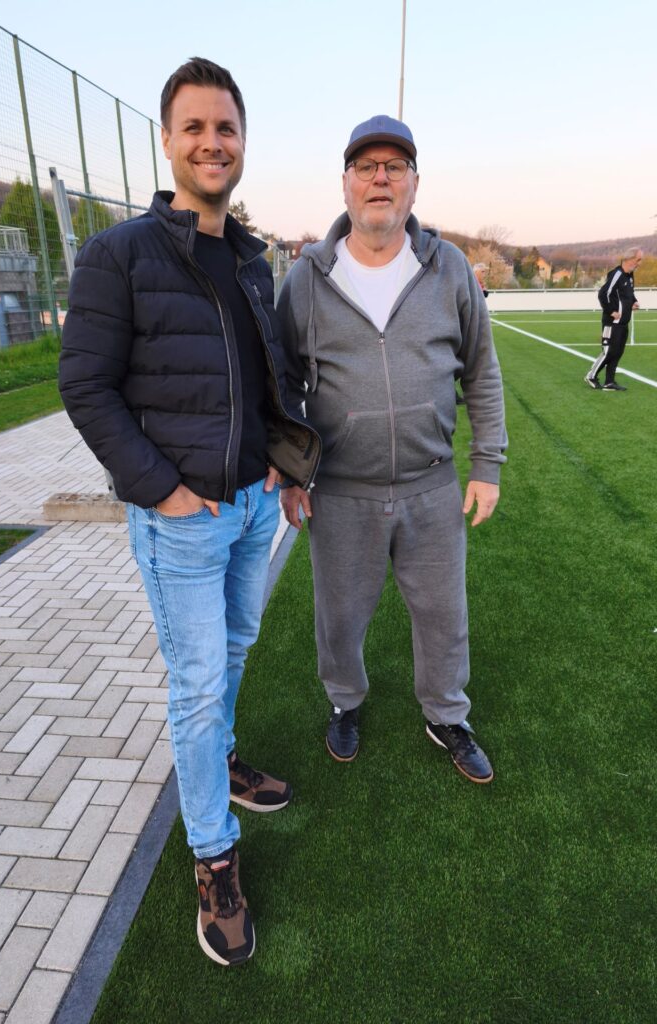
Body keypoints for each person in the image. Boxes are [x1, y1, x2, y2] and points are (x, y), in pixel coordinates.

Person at [59, 57, 319, 967]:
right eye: (197, 127)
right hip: (183, 520)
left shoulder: (250, 260)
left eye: (228, 128)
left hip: (256, 510)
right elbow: (85, 387)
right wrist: (163, 490)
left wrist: (289, 471)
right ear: (168, 142)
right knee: (198, 686)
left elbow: (272, 379)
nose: (214, 142)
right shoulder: (120, 254)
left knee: (232, 658)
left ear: (243, 143)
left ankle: (220, 765)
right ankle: (212, 852)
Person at [277, 115, 507, 785]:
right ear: (346, 182)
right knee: (340, 615)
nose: (380, 178)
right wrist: (294, 475)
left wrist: (486, 463)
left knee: (443, 613)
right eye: (366, 167)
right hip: (341, 492)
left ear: (413, 184)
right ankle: (345, 702)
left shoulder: (449, 269)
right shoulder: (308, 279)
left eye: (394, 167)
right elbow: (284, 384)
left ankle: (446, 714)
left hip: (432, 486)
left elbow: (481, 370)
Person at [585, 247, 642, 391]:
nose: (639, 263)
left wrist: (633, 301)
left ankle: (609, 382)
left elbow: (629, 293)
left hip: (624, 322)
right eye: (638, 259)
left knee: (618, 352)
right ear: (629, 259)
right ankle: (591, 376)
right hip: (612, 322)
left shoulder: (630, 275)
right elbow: (603, 294)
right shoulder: (617, 274)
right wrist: (611, 311)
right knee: (609, 351)